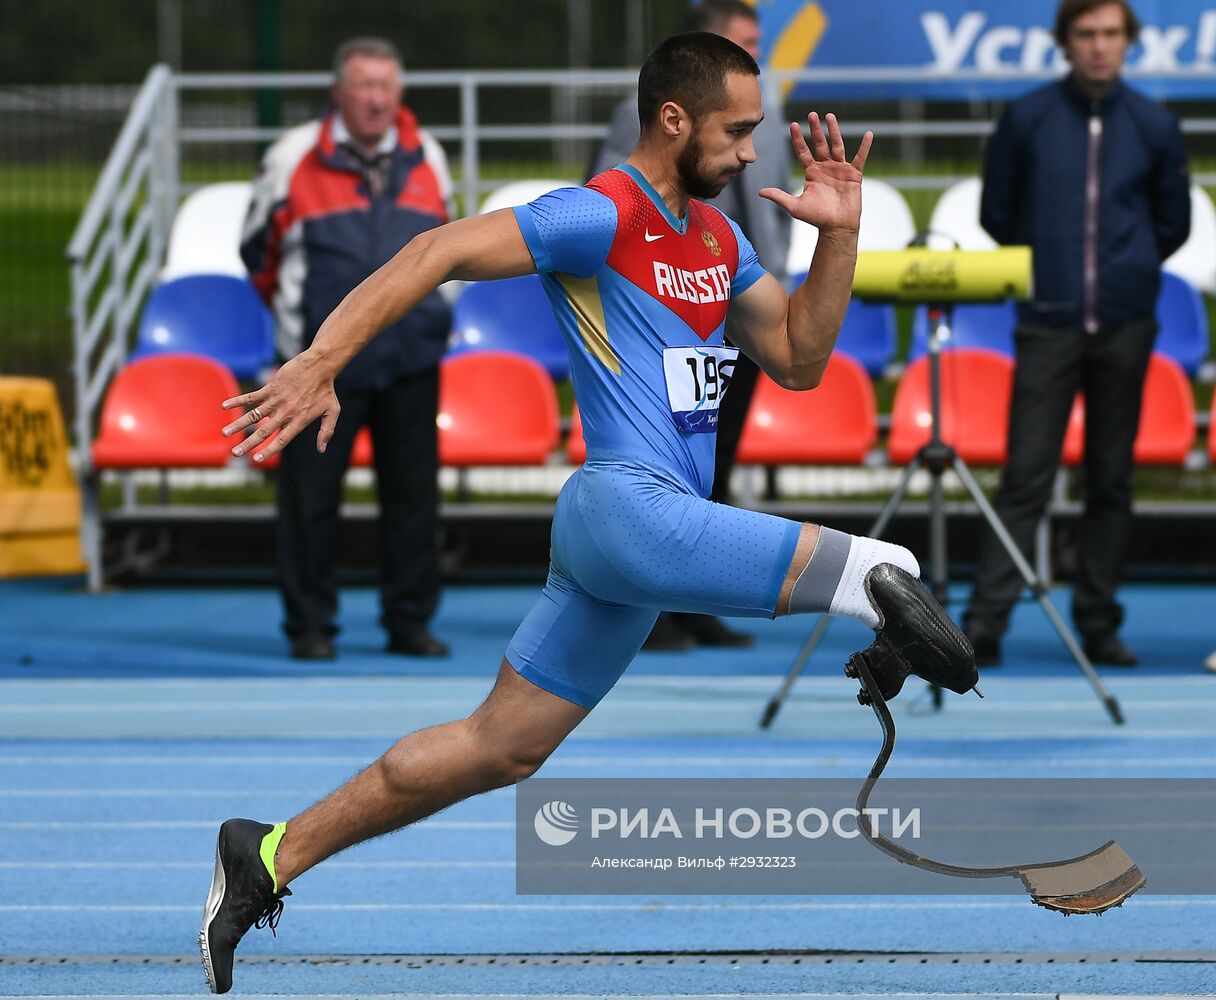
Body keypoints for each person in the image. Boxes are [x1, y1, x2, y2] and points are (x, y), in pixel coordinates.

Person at [201, 33, 977, 994]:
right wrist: (322, 361)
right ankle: (872, 590)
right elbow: (436, 248)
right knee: (881, 564)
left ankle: (270, 850)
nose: (750, 154)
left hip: (635, 545)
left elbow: (801, 359)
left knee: (502, 748)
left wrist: (841, 235)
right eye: (737, 133)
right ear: (673, 119)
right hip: (626, 510)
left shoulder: (720, 239)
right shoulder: (598, 214)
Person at [962, 0, 1190, 668]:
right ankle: (985, 625)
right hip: (1047, 323)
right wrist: (1053, 273)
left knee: (1112, 480)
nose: (1099, 46)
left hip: (1127, 323)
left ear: (1129, 42)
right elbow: (997, 213)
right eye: (1086, 34)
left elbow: (1171, 224)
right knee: (1024, 476)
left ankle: (1098, 621)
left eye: (1111, 34)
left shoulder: (1154, 124)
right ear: (1064, 42)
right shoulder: (1028, 117)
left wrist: (1131, 265)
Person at [241, 37, 453, 662]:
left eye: (387, 85)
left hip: (411, 356)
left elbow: (448, 247)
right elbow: (259, 254)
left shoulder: (428, 155)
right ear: (338, 91)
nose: (376, 99)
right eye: (364, 85)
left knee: (414, 499)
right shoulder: (291, 157)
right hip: (317, 366)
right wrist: (306, 333)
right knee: (309, 498)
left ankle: (409, 622)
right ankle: (310, 626)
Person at [591, 0, 792, 652]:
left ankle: (693, 599)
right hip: (671, 318)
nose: (747, 151)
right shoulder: (645, 114)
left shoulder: (771, 108)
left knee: (712, 468)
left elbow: (772, 213)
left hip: (740, 310)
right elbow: (614, 203)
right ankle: (650, 610)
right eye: (741, 39)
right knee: (660, 473)